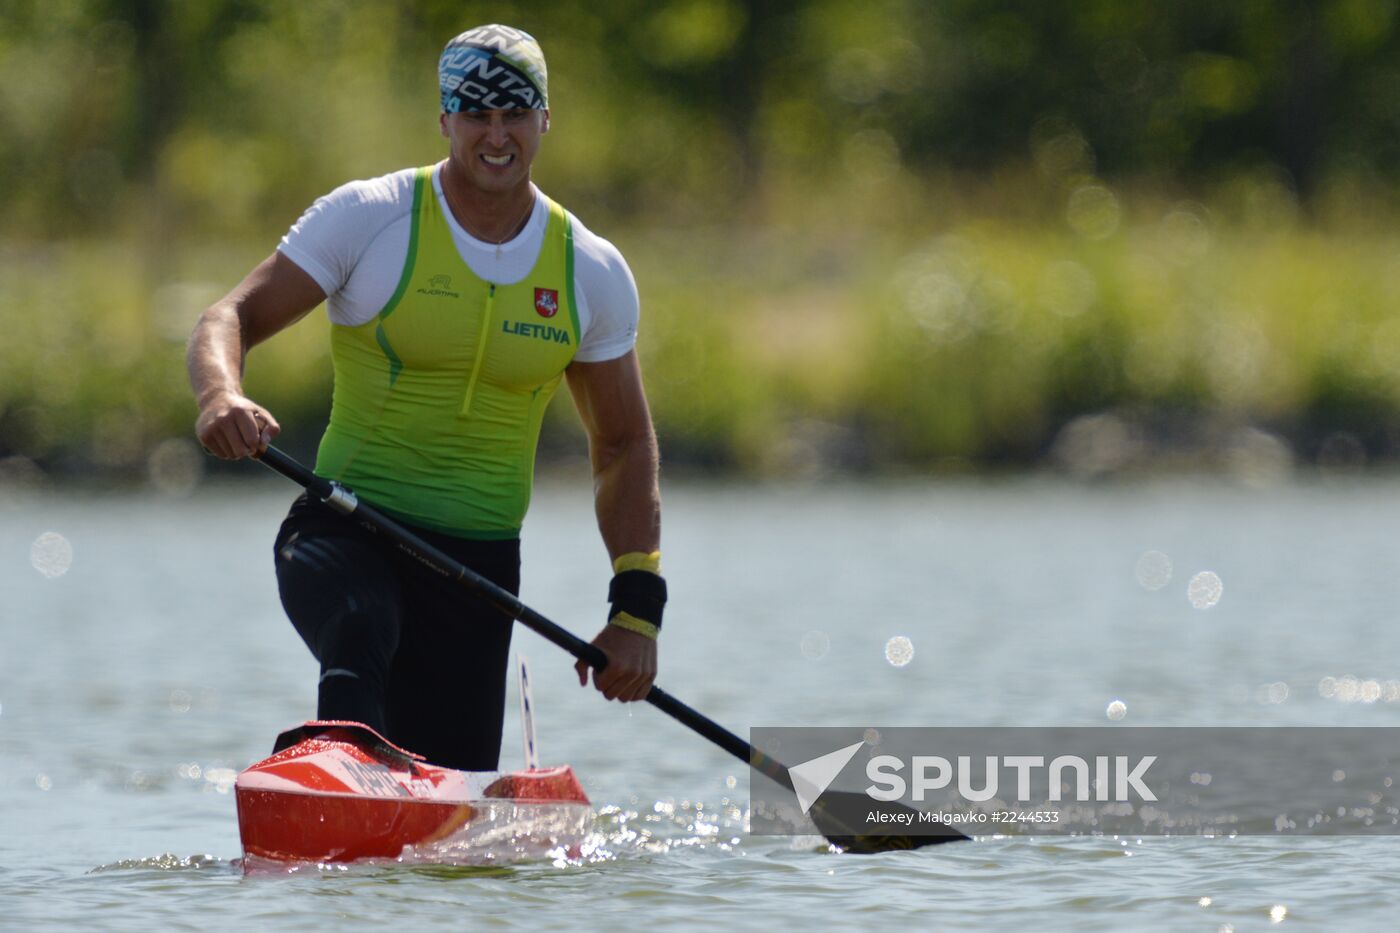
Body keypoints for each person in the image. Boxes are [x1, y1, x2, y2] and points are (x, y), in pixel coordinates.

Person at [186, 24, 665, 771]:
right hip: (346, 524)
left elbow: (624, 444)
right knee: (358, 618)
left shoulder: (590, 270)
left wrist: (636, 609)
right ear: (445, 120)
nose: (496, 135)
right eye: (476, 114)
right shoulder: (369, 218)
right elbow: (230, 316)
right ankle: (337, 776)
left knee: (450, 806)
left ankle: (380, 808)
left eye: (516, 113)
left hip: (477, 570)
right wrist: (221, 394)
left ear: (546, 119)